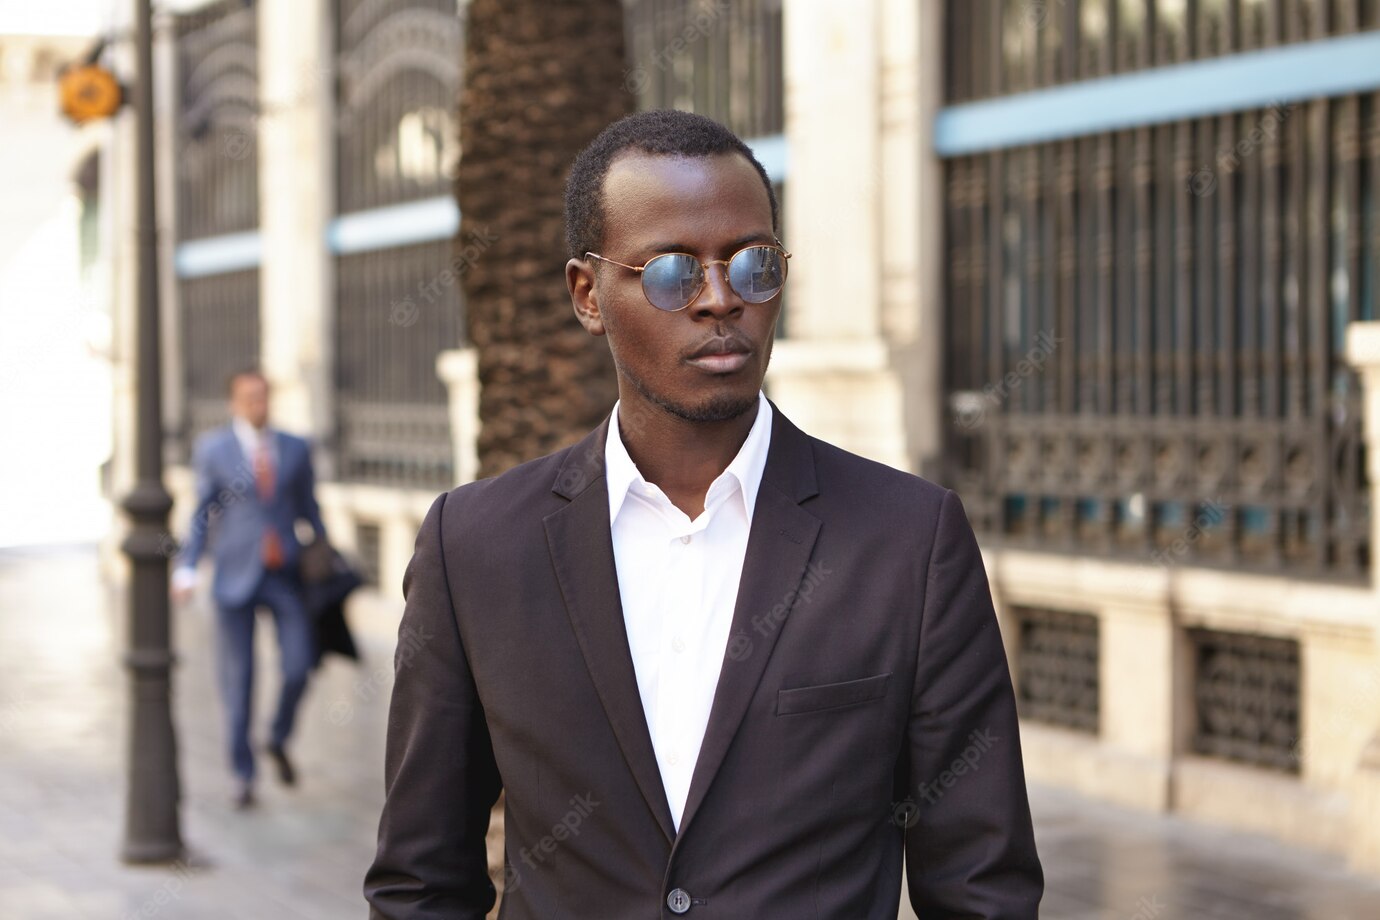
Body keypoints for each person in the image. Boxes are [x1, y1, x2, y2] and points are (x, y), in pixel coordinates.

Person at [364, 110, 1043, 918]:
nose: (721, 299)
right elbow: (421, 881)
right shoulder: (475, 546)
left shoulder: (908, 540)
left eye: (752, 264)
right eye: (672, 272)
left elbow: (980, 881)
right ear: (588, 295)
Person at [172, 368, 327, 809]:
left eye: (263, 396)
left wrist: (326, 558)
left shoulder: (296, 448)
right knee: (238, 682)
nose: (258, 404)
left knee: (298, 666)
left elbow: (309, 510)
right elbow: (201, 513)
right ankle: (243, 774)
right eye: (249, 398)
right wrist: (187, 567)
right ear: (233, 403)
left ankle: (277, 737)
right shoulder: (214, 450)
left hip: (285, 576)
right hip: (233, 577)